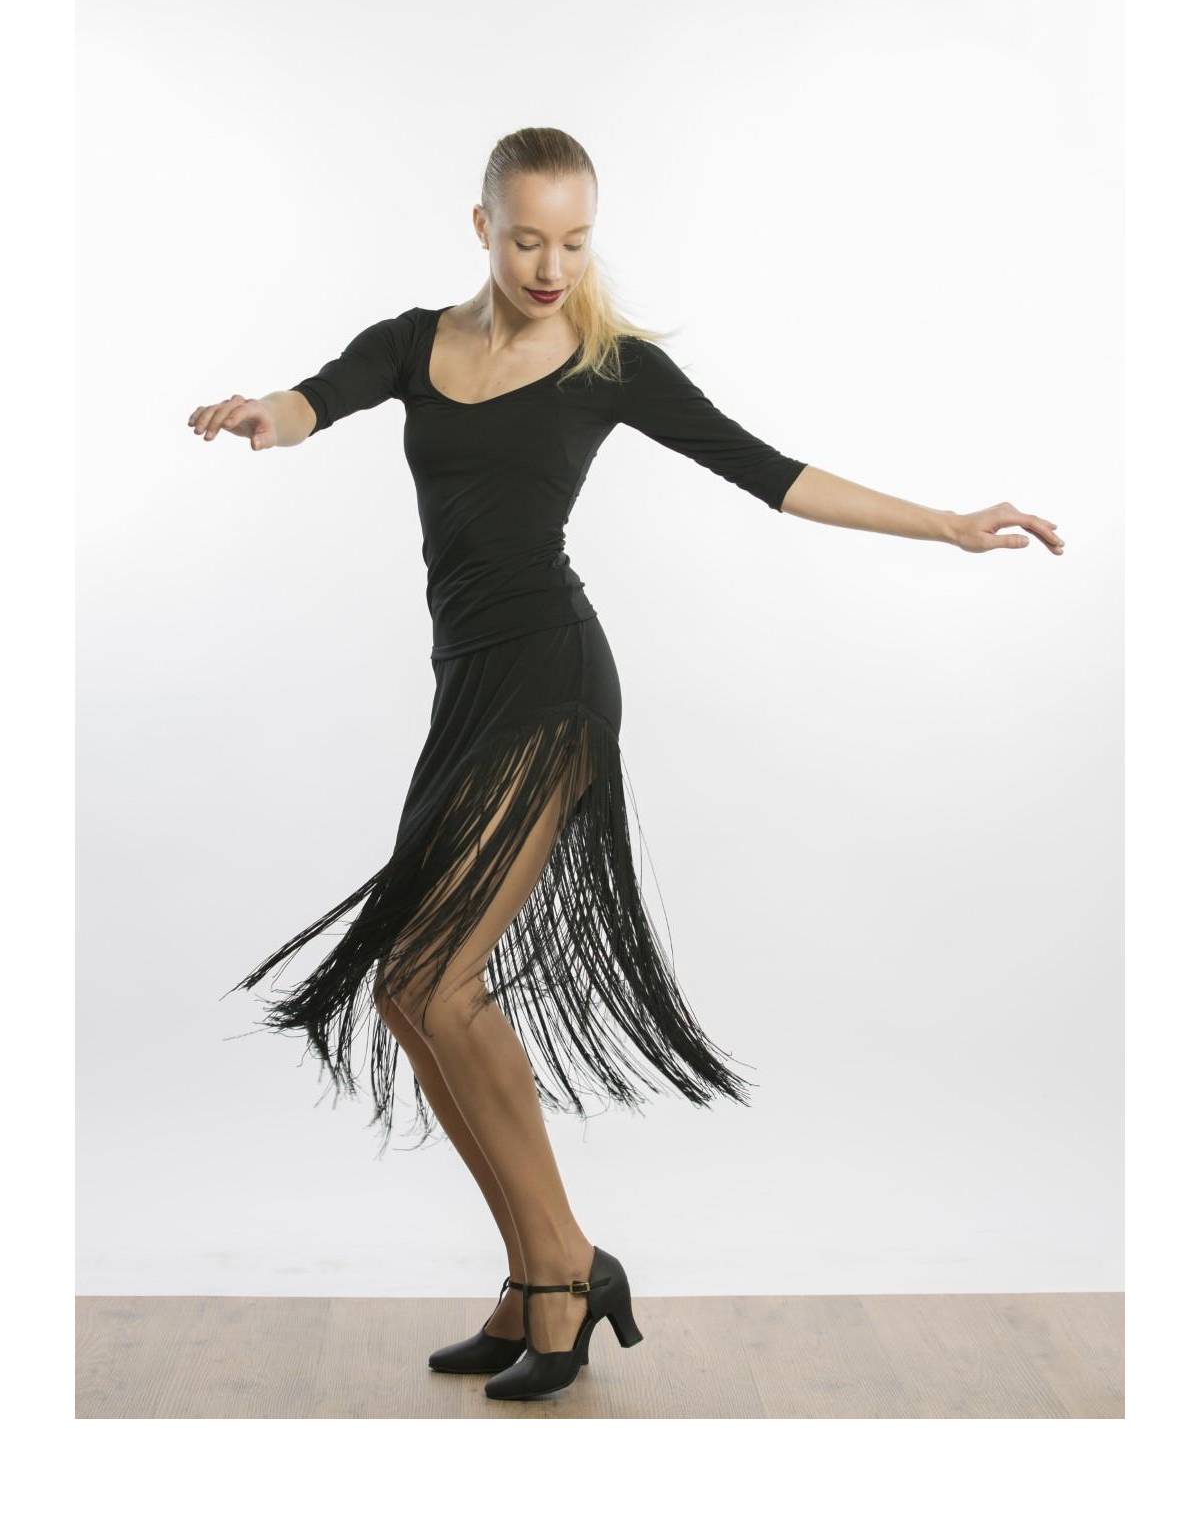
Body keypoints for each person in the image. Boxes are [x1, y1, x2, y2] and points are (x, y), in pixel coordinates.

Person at [192, 126, 1064, 1403]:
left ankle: (565, 1267)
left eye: (576, 240)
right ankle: (533, 1276)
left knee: (435, 980)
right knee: (407, 993)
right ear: (482, 228)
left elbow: (769, 473)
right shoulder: (413, 344)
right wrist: (259, 416)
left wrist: (944, 524)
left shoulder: (611, 367)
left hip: (552, 685)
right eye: (527, 239)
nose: (553, 266)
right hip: (463, 691)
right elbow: (312, 398)